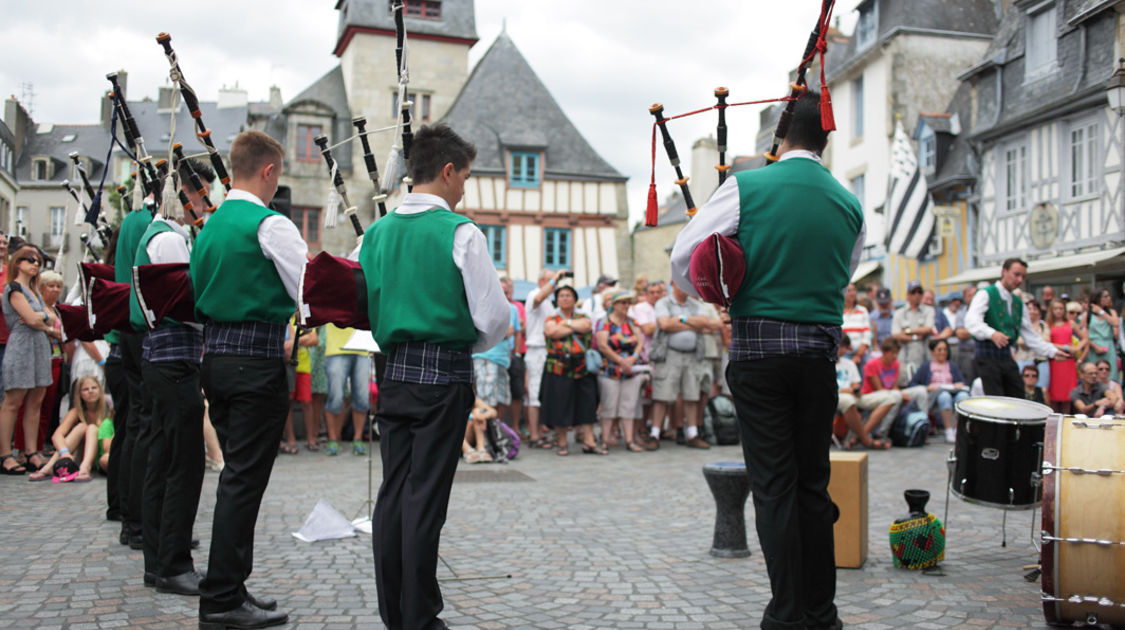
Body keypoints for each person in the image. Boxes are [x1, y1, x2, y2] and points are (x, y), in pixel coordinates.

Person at [669, 91, 861, 630]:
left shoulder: (747, 186)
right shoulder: (849, 204)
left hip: (757, 350)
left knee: (773, 485)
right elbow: (841, 275)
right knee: (812, 485)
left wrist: (722, 292)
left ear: (780, 134)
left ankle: (784, 613)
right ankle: (822, 612)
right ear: (826, 138)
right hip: (818, 353)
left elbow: (685, 258)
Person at [358, 123, 509, 630]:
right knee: (425, 499)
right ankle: (420, 618)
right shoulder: (460, 231)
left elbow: (364, 305)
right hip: (443, 373)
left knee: (394, 492)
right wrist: (462, 341)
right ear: (447, 171)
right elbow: (492, 318)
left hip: (394, 372)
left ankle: (395, 612)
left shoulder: (374, 234)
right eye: (463, 176)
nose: (464, 187)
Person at [191, 129, 307, 629]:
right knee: (243, 480)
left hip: (215, 359)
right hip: (256, 361)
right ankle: (220, 597)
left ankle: (230, 584)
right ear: (268, 171)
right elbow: (308, 290)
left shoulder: (210, 226)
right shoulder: (269, 224)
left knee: (239, 476)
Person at [132, 160, 214, 596]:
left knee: (165, 462)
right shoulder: (168, 239)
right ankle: (173, 563)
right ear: (181, 191)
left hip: (166, 361)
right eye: (199, 195)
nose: (201, 204)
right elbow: (187, 301)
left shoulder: (163, 235)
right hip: (172, 360)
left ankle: (160, 561)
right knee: (182, 464)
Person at [965, 259, 1067, 398]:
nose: (1019, 280)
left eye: (1023, 277)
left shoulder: (1018, 303)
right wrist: (992, 333)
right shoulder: (986, 293)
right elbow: (971, 321)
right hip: (986, 356)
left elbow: (1030, 335)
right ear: (1004, 272)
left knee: (1017, 395)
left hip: (1006, 355)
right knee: (996, 400)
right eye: (1016, 274)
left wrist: (1052, 351)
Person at [0, 245, 61, 475]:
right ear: (18, 262)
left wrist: (41, 317)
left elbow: (45, 317)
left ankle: (30, 450)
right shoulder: (14, 288)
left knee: (36, 400)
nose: (35, 264)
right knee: (13, 400)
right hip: (21, 345)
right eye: (30, 260)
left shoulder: (34, 292)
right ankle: (5, 454)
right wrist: (42, 319)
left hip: (38, 345)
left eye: (38, 261)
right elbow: (30, 318)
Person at [648, 281, 716, 450]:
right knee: (662, 396)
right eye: (682, 284)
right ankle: (654, 434)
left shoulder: (695, 304)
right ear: (673, 284)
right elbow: (664, 324)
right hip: (669, 354)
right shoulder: (663, 302)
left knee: (692, 395)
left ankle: (693, 435)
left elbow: (704, 323)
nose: (687, 288)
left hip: (693, 355)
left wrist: (680, 319)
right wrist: (692, 324)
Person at [541, 282, 603, 455]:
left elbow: (585, 326)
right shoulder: (550, 318)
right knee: (560, 404)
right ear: (557, 300)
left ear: (575, 299)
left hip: (583, 367)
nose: (565, 298)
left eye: (569, 295)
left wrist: (565, 324)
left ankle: (589, 441)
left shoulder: (583, 316)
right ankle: (562, 442)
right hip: (559, 367)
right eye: (561, 295)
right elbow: (552, 333)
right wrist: (571, 325)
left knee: (588, 403)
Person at [28, 375, 109, 482]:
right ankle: (50, 467)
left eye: (94, 388)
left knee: (92, 428)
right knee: (81, 427)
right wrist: (65, 452)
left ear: (100, 390)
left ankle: (85, 467)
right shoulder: (76, 412)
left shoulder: (108, 407)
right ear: (80, 394)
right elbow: (57, 435)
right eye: (86, 389)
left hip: (103, 453)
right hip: (83, 454)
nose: (90, 391)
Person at [596, 291, 646, 452]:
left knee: (629, 405)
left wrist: (632, 358)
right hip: (610, 369)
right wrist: (620, 361)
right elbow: (603, 345)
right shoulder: (604, 322)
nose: (626, 306)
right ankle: (604, 439)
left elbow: (640, 342)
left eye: (628, 303)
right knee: (609, 405)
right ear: (614, 305)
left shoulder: (632, 322)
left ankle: (629, 439)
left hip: (630, 368)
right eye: (622, 303)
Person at [322, 323, 372, 456]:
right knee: (335, 397)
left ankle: (358, 438)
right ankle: (333, 439)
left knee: (362, 398)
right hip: (336, 348)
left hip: (362, 347)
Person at [524, 268, 561, 449]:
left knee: (542, 393)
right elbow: (539, 298)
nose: (554, 284)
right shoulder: (534, 295)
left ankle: (539, 431)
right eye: (550, 281)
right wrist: (555, 279)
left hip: (546, 350)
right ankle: (534, 435)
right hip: (536, 350)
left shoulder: (550, 302)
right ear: (541, 282)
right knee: (534, 393)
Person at [907, 339, 969, 443]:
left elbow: (962, 381)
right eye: (939, 349)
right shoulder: (926, 366)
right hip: (934, 396)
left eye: (945, 349)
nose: (943, 352)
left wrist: (959, 384)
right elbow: (912, 384)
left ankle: (959, 429)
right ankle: (948, 429)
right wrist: (927, 387)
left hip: (953, 392)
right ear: (933, 351)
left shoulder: (952, 365)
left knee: (963, 397)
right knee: (944, 396)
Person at [835, 337, 888, 450]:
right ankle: (866, 440)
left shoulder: (849, 364)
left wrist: (856, 390)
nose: (842, 350)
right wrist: (843, 390)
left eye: (845, 347)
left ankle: (857, 438)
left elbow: (855, 383)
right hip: (836, 397)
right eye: (840, 346)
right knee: (848, 401)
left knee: (889, 398)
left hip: (853, 396)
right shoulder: (825, 364)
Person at [280, 321, 318, 455]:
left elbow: (314, 339)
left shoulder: (301, 317)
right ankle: (291, 439)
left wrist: (294, 341)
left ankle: (311, 438)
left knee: (307, 402)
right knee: (287, 402)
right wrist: (301, 340)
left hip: (303, 365)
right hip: (286, 365)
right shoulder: (285, 317)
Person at [859, 337, 905, 438]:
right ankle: (881, 432)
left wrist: (902, 394)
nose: (895, 356)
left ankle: (917, 427)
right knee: (896, 396)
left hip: (889, 393)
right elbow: (879, 388)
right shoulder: (872, 363)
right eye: (892, 353)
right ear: (883, 351)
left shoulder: (896, 364)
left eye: (897, 353)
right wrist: (900, 394)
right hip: (871, 395)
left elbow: (895, 387)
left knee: (920, 392)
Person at [892, 281, 934, 373]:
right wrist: (916, 337)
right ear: (908, 295)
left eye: (919, 292)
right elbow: (895, 335)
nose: (917, 295)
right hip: (905, 357)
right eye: (913, 292)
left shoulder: (929, 310)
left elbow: (928, 329)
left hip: (925, 355)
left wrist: (908, 331)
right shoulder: (899, 313)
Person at [1046, 299, 1078, 413]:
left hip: (1068, 362)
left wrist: (1077, 349)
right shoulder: (1048, 325)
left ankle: (1066, 420)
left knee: (1068, 395)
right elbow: (1046, 342)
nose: (1058, 311)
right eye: (1056, 308)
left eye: (1061, 308)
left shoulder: (1071, 323)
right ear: (1051, 310)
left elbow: (1085, 338)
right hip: (1054, 361)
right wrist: (1065, 347)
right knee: (1053, 394)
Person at [1014, 298, 1051, 391]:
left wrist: (1029, 339)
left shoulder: (1043, 325)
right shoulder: (1019, 325)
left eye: (1035, 309)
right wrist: (1038, 340)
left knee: (1042, 390)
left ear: (1039, 312)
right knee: (1022, 390)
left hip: (1041, 361)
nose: (1032, 311)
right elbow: (1020, 342)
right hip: (1023, 361)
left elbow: (1047, 341)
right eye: (1029, 309)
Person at [1085, 289, 1119, 383]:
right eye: (1106, 296)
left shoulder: (1111, 312)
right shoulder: (1087, 315)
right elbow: (1084, 335)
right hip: (1094, 348)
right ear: (1097, 298)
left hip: (1109, 348)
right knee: (1094, 375)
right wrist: (1095, 346)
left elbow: (1115, 323)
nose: (1109, 298)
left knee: (1110, 375)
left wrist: (1101, 311)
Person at [842, 283, 871, 369]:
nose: (852, 293)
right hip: (844, 351)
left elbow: (867, 335)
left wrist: (858, 354)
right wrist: (851, 347)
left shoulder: (863, 310)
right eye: (849, 290)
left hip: (862, 352)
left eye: (854, 290)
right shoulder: (839, 312)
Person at [462, 399, 496, 463]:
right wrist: (472, 417)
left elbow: (493, 411)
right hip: (456, 438)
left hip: (470, 435)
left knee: (477, 411)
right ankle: (467, 450)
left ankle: (481, 449)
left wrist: (481, 416)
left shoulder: (472, 398)